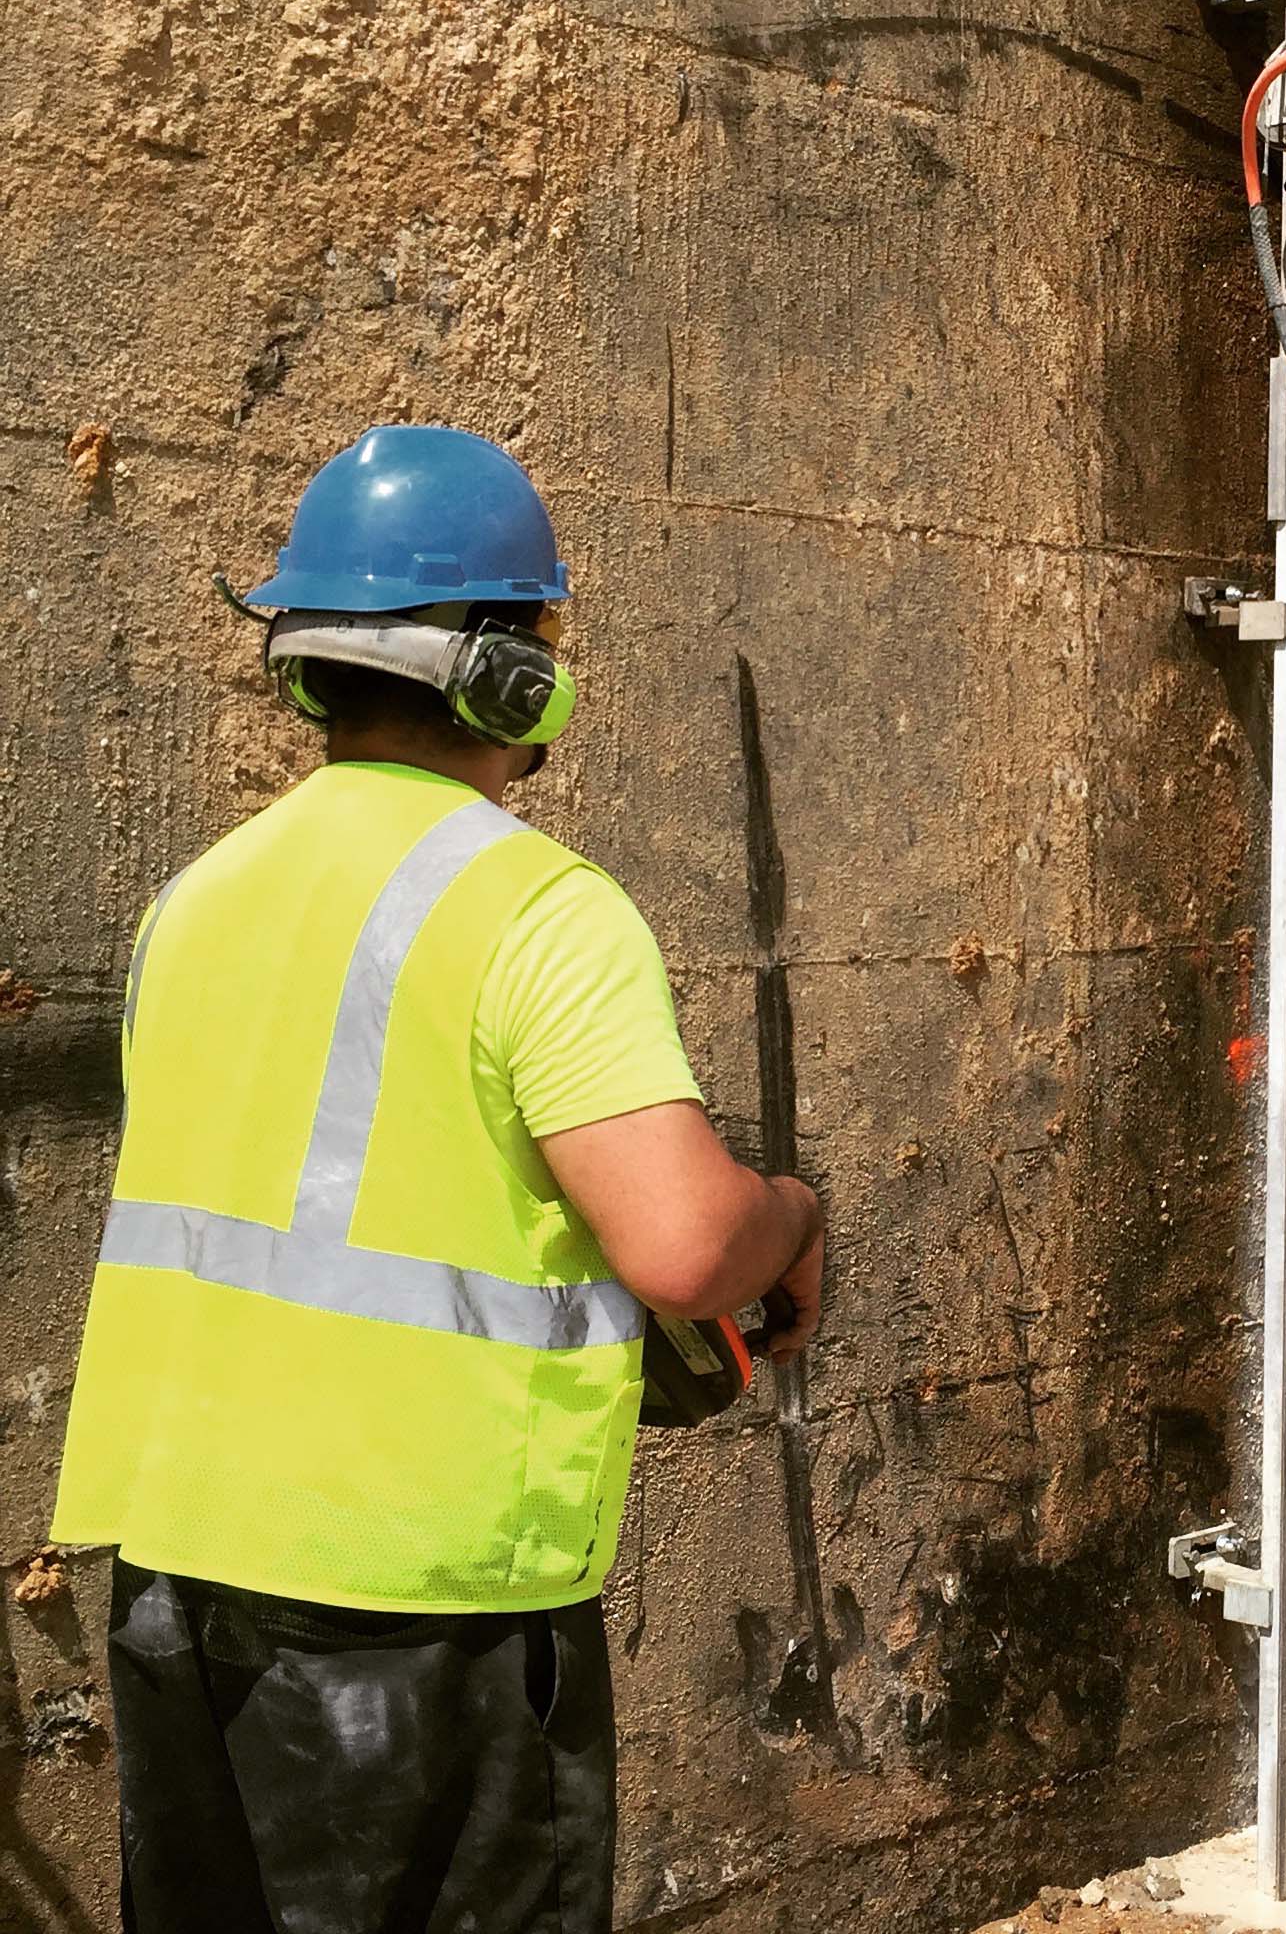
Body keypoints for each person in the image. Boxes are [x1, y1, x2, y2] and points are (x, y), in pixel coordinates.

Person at [50, 424, 826, 1934]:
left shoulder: (191, 907)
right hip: (419, 1611)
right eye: (536, 636)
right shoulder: (537, 909)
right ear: (508, 675)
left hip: (176, 1582)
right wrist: (795, 1216)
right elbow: (681, 1248)